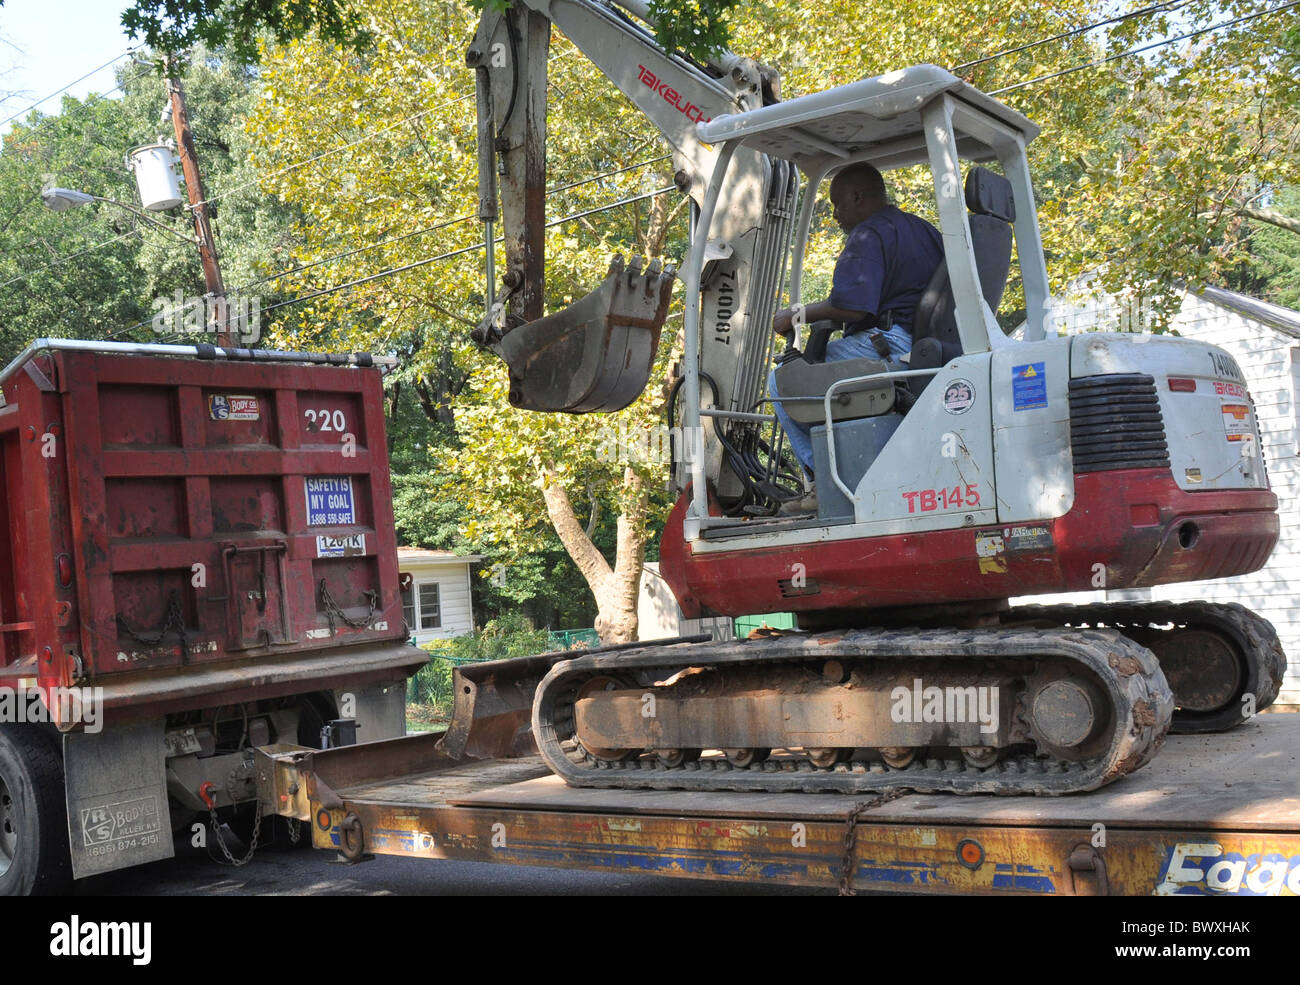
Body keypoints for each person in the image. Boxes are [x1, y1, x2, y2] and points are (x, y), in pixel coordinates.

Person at [768, 162, 944, 495]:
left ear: (857, 197)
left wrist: (795, 314)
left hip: (888, 344)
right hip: (926, 345)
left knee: (781, 380)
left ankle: (823, 484)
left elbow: (854, 306)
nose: (835, 214)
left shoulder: (868, 234)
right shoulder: (924, 230)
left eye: (837, 204)